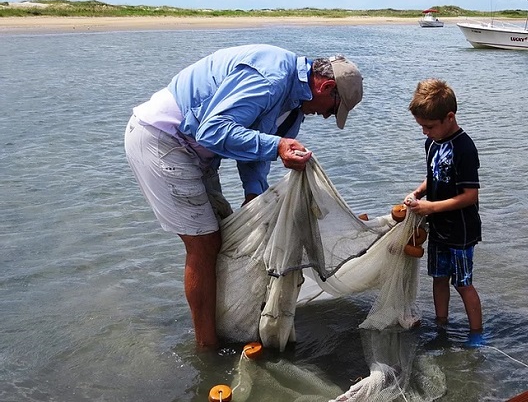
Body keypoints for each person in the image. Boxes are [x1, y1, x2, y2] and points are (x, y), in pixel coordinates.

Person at [124, 44, 363, 347]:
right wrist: (277, 147)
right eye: (332, 109)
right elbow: (213, 130)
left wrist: (254, 193)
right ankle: (207, 349)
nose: (327, 117)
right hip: (163, 139)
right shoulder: (271, 77)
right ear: (327, 87)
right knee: (204, 243)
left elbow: (253, 148)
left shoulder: (293, 107)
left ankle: (225, 323)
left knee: (224, 236)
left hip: (199, 154)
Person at [403, 78, 483, 343]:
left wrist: (430, 207)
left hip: (461, 230)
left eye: (429, 126)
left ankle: (476, 334)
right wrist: (418, 193)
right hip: (438, 228)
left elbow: (470, 196)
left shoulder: (464, 147)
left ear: (450, 117)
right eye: (422, 127)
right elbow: (435, 176)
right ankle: (441, 326)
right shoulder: (432, 143)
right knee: (438, 278)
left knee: (462, 283)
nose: (425, 132)